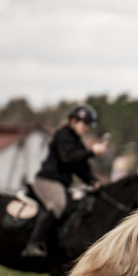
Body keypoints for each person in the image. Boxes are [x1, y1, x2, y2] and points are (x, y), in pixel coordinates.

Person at [22, 104, 106, 258]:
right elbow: (68, 158)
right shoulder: (63, 135)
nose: (87, 127)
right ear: (73, 120)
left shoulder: (76, 141)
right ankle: (33, 244)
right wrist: (92, 152)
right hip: (47, 181)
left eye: (89, 125)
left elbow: (81, 168)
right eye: (85, 123)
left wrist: (93, 181)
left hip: (60, 184)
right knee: (58, 204)